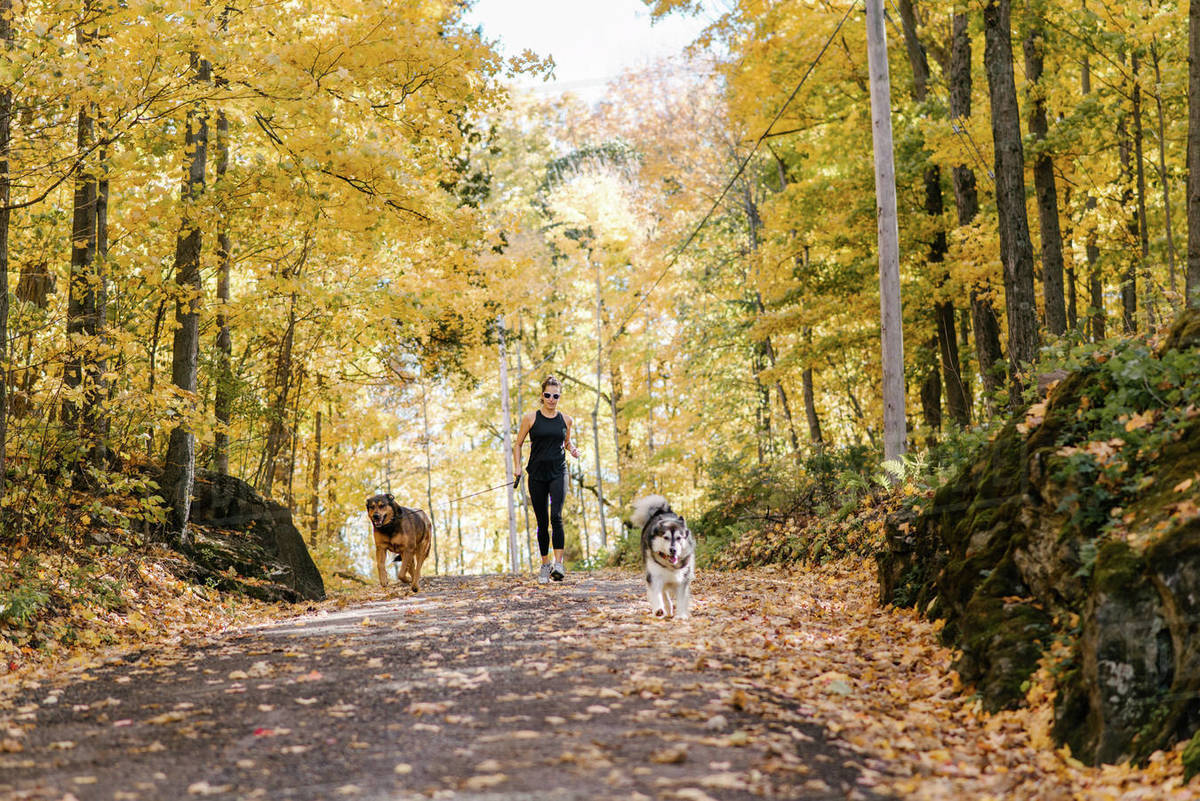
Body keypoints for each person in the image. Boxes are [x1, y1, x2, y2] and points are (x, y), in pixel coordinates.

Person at [513, 375, 580, 584]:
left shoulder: (566, 420)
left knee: (556, 517)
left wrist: (573, 449)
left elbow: (566, 443)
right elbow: (518, 444)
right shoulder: (531, 418)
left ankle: (558, 566)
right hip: (536, 474)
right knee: (542, 521)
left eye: (556, 396)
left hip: (558, 472)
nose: (552, 399)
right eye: (548, 395)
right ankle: (545, 565)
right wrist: (517, 467)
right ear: (542, 396)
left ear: (559, 397)